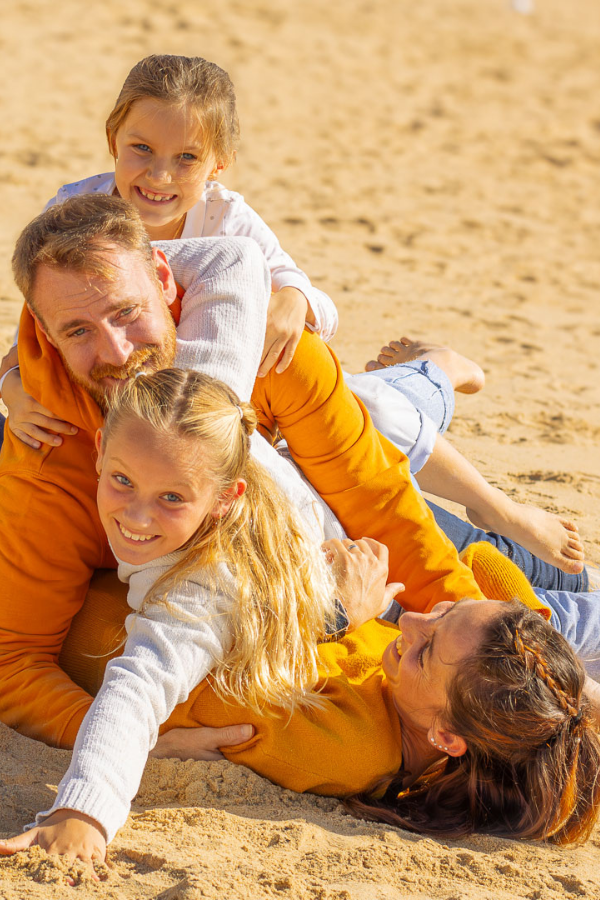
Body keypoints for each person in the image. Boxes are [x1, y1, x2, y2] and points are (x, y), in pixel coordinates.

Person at [0, 194, 494, 754]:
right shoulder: (47, 460)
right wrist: (140, 740)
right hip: (291, 547)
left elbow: (379, 501)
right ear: (43, 333)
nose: (116, 351)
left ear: (164, 278)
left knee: (536, 592)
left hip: (332, 511)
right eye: (78, 332)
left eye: (126, 313)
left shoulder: (268, 347)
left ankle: (442, 378)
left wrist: (474, 643)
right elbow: (14, 662)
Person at [1, 559, 599, 870]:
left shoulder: (346, 747)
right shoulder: (423, 693)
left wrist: (341, 611)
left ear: (445, 736)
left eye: (427, 648)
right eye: (441, 612)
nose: (412, 621)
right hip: (129, 573)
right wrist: (559, 677)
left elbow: (212, 679)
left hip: (69, 617)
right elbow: (479, 560)